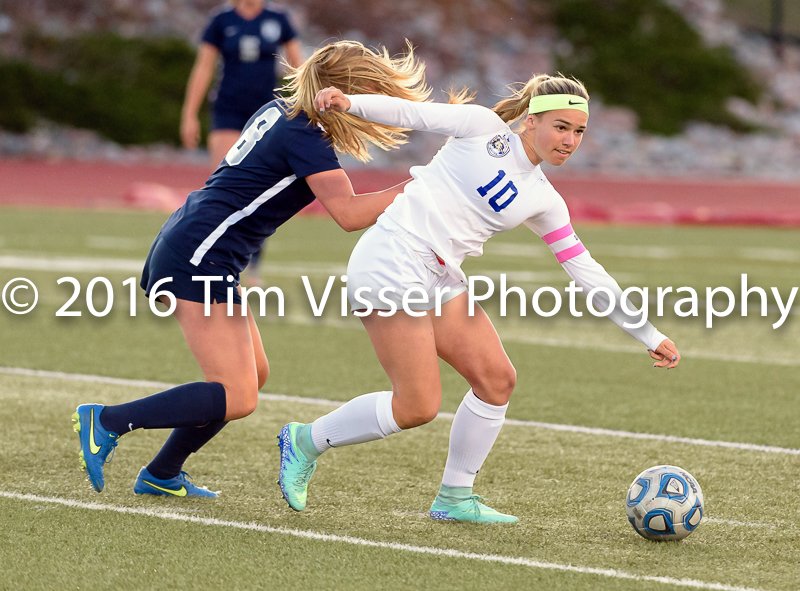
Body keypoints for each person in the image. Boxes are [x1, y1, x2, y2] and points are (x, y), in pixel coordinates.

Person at [276, 73, 681, 523]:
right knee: (416, 406)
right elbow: (413, 113)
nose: (570, 140)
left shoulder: (545, 199)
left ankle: (454, 498)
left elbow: (585, 270)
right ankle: (305, 440)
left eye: (579, 131)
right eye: (560, 127)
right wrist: (351, 103)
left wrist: (646, 332)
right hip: (392, 258)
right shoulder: (481, 127)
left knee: (496, 379)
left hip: (440, 276)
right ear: (530, 121)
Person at [71, 40, 429, 497]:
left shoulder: (283, 110)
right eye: (369, 95)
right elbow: (349, 214)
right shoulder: (305, 135)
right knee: (238, 394)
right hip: (199, 255)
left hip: (199, 245)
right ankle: (107, 420)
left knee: (251, 376)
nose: (372, 109)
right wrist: (422, 186)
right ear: (342, 92)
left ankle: (162, 473)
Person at [180, 0, 304, 283]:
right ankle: (210, 257)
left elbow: (298, 67)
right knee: (222, 184)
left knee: (259, 186)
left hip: (266, 112)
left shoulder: (278, 19)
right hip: (228, 111)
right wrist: (189, 114)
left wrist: (306, 104)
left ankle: (252, 263)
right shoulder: (221, 20)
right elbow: (203, 68)